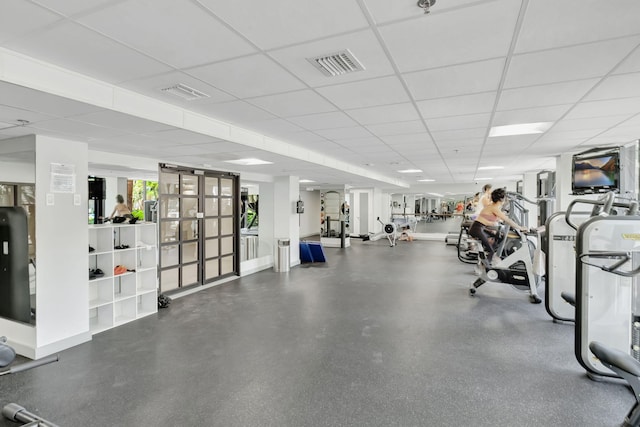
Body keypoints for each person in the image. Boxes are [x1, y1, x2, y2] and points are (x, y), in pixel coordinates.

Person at [468, 188, 527, 265]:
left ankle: (488, 259)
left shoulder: (492, 206)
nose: (506, 200)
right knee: (491, 250)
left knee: (499, 236)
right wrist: (521, 228)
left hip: (478, 227)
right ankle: (486, 266)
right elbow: (508, 220)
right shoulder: (494, 208)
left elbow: (490, 219)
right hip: (477, 229)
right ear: (501, 199)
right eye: (505, 198)